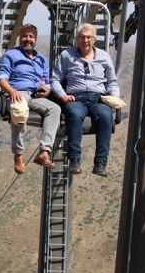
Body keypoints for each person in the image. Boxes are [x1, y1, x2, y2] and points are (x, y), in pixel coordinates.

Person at [51, 23, 120, 177]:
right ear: (77, 39)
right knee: (74, 114)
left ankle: (100, 163)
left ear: (94, 40)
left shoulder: (103, 56)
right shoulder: (67, 56)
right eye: (82, 37)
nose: (85, 40)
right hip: (77, 97)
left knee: (105, 115)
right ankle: (74, 159)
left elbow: (112, 81)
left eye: (89, 37)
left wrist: (114, 96)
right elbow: (55, 79)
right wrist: (62, 95)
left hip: (98, 97)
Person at [0, 23, 61, 174]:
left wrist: (46, 89)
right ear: (20, 38)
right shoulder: (10, 55)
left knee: (55, 109)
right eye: (25, 36)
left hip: (35, 94)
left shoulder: (42, 60)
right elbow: (1, 78)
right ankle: (18, 154)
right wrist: (12, 91)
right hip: (18, 92)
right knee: (20, 109)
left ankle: (44, 151)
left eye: (31, 36)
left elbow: (46, 80)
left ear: (35, 39)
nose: (28, 39)